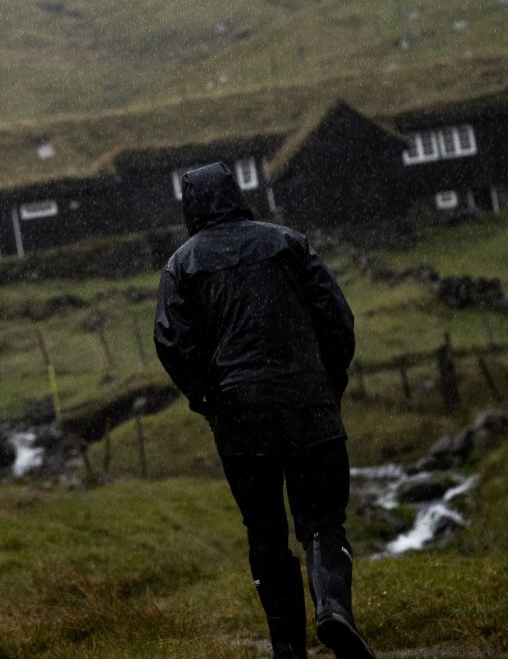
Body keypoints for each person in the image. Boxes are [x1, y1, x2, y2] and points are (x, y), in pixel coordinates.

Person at [153, 162, 374, 659]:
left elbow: (171, 342)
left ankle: (288, 648)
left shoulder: (182, 265)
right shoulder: (287, 243)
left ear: (190, 206)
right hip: (308, 404)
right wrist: (326, 384)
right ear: (237, 191)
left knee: (266, 532)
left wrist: (210, 399)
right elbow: (336, 317)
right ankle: (334, 611)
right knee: (322, 520)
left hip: (240, 418)